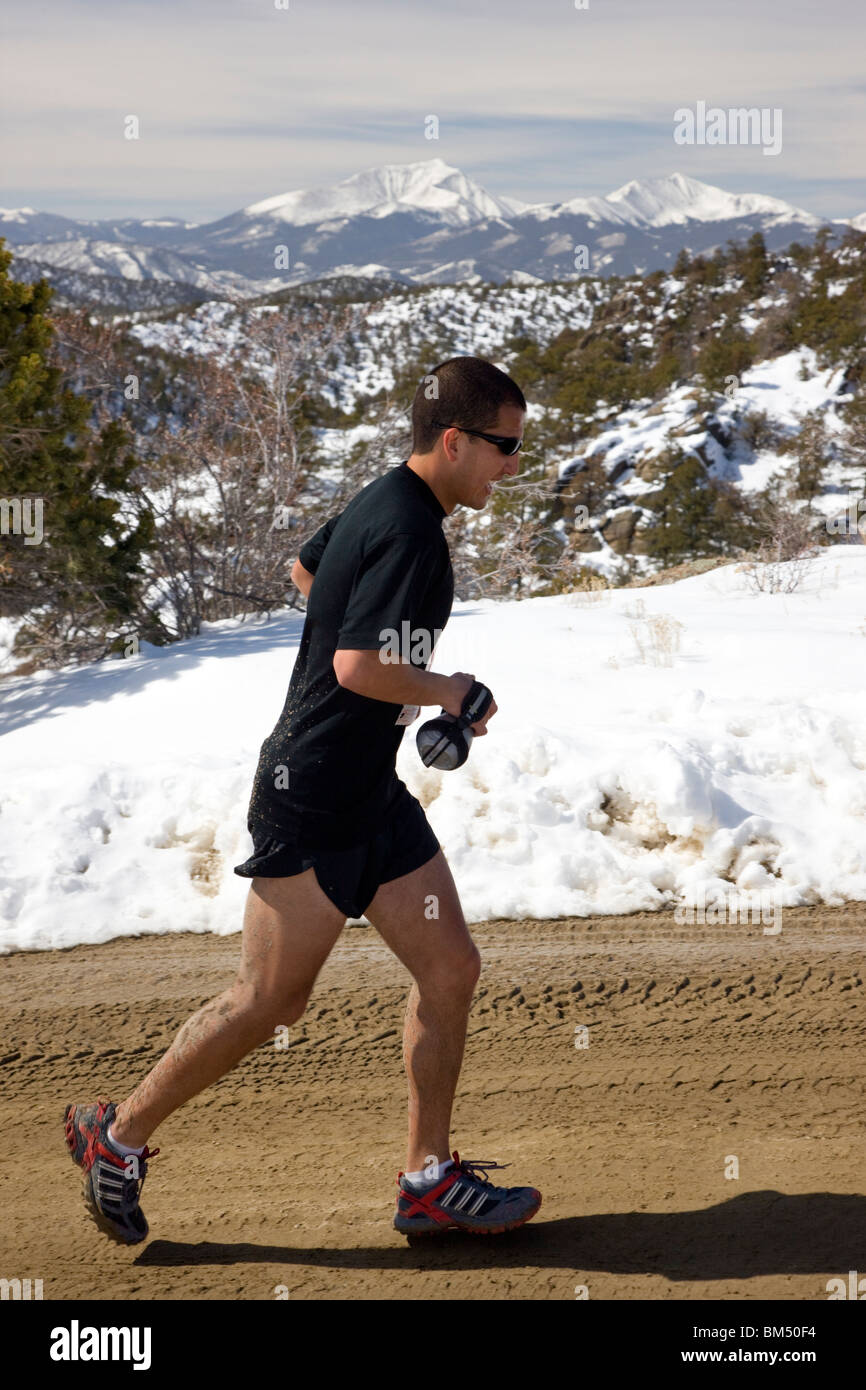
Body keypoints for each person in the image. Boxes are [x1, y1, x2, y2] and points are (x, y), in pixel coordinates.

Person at [63, 355, 542, 1242]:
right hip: (311, 797)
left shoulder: (385, 497)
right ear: (455, 440)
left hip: (367, 790)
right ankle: (115, 1138)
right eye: (506, 447)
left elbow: (306, 573)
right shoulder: (409, 532)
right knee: (268, 1003)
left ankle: (427, 1180)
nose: (512, 465)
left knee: (451, 969)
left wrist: (392, 690)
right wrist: (446, 692)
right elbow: (354, 665)